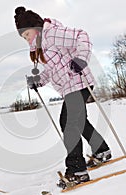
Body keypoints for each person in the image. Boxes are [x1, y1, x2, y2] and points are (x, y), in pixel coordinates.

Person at [14, 6, 112, 185]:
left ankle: (77, 170)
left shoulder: (51, 33)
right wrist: (38, 81)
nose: (26, 39)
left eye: (27, 34)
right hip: (69, 87)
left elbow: (81, 35)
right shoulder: (41, 45)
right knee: (79, 122)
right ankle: (102, 150)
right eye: (24, 37)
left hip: (78, 82)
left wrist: (81, 58)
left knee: (68, 123)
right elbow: (51, 71)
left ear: (35, 27)